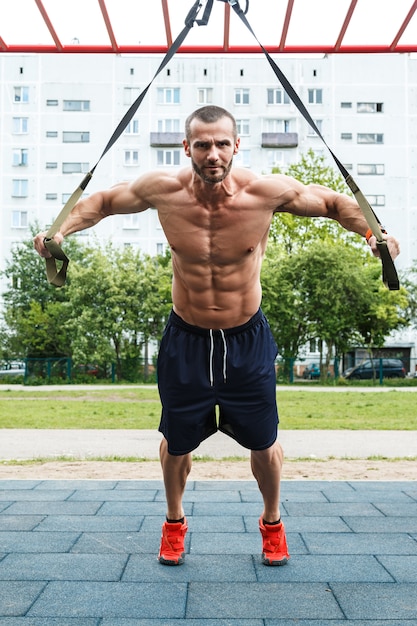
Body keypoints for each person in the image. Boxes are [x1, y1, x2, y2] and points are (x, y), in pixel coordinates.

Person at [34, 105, 400, 567]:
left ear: (236, 145)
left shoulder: (263, 193)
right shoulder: (163, 191)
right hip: (185, 339)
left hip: (245, 339)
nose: (213, 154)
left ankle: (271, 522)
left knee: (264, 443)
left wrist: (373, 231)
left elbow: (332, 203)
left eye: (221, 144)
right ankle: (173, 523)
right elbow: (103, 202)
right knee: (176, 442)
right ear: (186, 147)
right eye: (203, 144)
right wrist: (58, 230)